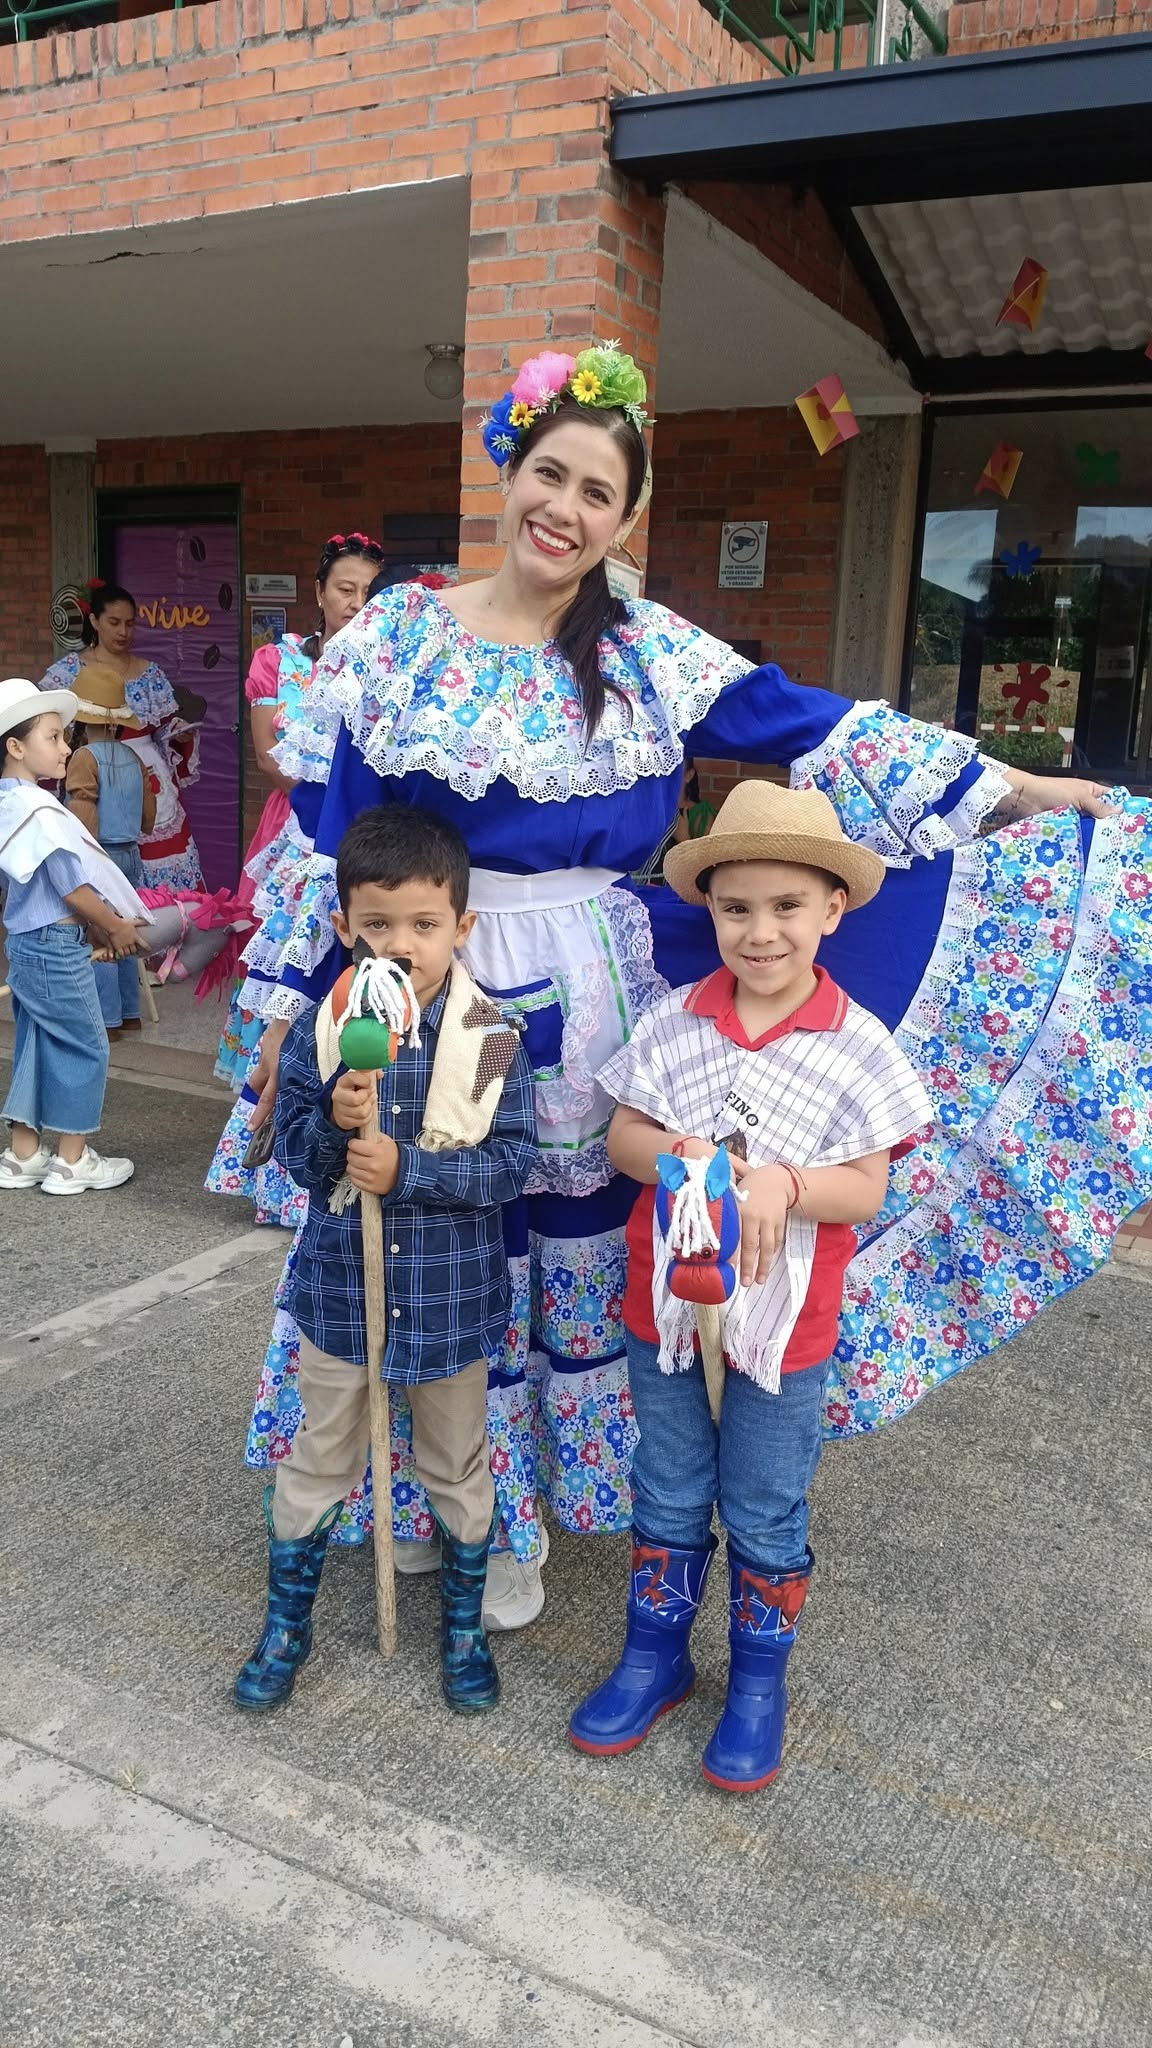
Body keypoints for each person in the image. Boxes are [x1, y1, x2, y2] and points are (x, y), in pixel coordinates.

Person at [230, 339, 1143, 1631]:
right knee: (440, 1230)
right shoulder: (395, 640)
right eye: (552, 475)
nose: (566, 509)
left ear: (621, 521)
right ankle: (449, 1502)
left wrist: (1015, 788)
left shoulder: (646, 649)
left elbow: (814, 723)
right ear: (511, 472)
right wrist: (292, 1005)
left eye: (598, 494)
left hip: (597, 985)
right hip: (435, 984)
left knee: (575, 1241)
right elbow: (339, 840)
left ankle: (524, 1523)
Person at [568, 780, 932, 1791]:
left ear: (833, 908)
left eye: (786, 906)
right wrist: (681, 1152)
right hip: (670, 1310)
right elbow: (623, 1137)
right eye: (736, 908)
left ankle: (757, 1682)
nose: (760, 931)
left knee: (765, 1504)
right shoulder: (675, 1020)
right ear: (711, 910)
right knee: (669, 1484)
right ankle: (656, 1656)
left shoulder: (857, 1044)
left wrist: (784, 1183)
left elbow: (866, 1186)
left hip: (785, 1324)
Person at [232, 804, 536, 1714]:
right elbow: (296, 1156)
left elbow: (510, 1165)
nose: (400, 944)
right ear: (343, 926)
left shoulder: (492, 1041)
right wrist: (334, 1122)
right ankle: (286, 1626)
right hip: (341, 1294)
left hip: (450, 1300)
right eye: (376, 924)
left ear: (462, 926)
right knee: (319, 1458)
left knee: (456, 1463)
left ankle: (462, 1629)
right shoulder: (323, 1034)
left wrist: (411, 1170)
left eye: (423, 924)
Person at [208, 534, 388, 1225]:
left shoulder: (387, 667)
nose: (356, 603)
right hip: (304, 831)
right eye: (345, 588)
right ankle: (274, 1151)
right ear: (318, 591)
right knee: (290, 981)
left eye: (369, 592)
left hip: (364, 842)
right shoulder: (281, 661)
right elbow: (270, 757)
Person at [0, 678, 145, 1195]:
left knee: (38, 1039)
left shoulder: (9, 803)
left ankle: (22, 1155)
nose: (66, 748)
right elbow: (72, 888)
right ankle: (72, 1160)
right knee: (87, 1044)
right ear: (16, 747)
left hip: (25, 941)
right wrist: (115, 924)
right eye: (54, 737)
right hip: (55, 945)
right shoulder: (39, 811)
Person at [39, 581, 204, 890]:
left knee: (156, 845)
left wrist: (177, 733)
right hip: (91, 770)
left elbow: (162, 727)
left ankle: (162, 914)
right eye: (114, 622)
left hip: (148, 776)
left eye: (129, 623)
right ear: (94, 621)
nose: (123, 631)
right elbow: (47, 729)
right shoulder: (69, 671)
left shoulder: (150, 673)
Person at [63, 697, 156, 1040]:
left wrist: (79, 857)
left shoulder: (84, 757)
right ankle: (130, 1014)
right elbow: (148, 814)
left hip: (101, 855)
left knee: (100, 932)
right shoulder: (133, 756)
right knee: (125, 929)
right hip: (131, 852)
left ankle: (108, 1020)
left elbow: (82, 813)